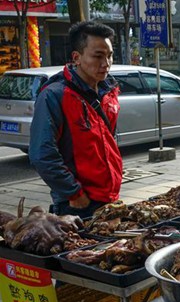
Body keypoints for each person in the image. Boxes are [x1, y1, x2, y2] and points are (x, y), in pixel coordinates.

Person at [29, 21, 122, 218]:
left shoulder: (108, 91)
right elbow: (42, 154)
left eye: (109, 55)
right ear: (76, 57)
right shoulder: (54, 96)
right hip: (78, 204)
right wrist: (74, 193)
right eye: (98, 56)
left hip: (109, 197)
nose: (106, 63)